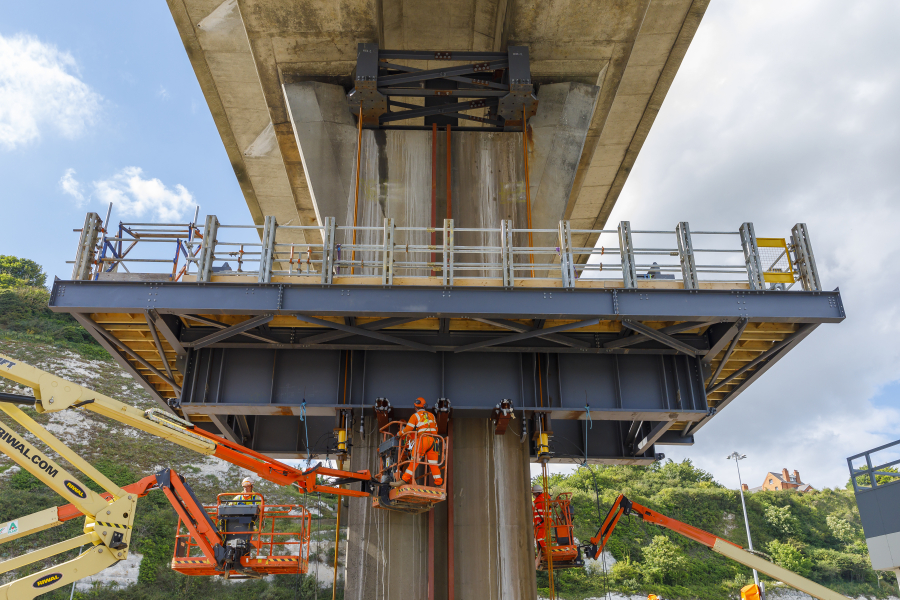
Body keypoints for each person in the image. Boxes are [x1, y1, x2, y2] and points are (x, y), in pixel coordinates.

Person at [395, 398, 443, 486]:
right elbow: (436, 428)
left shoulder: (415, 416)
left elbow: (408, 429)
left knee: (414, 461)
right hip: (434, 441)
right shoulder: (432, 415)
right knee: (434, 464)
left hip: (423, 440)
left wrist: (399, 433)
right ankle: (439, 483)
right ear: (425, 406)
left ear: (415, 407)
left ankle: (404, 480)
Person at [532, 483, 550, 548]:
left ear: (537, 493)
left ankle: (544, 550)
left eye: (534, 493)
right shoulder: (545, 498)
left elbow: (531, 507)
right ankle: (543, 550)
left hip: (542, 522)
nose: (533, 495)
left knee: (539, 537)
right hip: (543, 521)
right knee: (539, 537)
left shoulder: (539, 500)